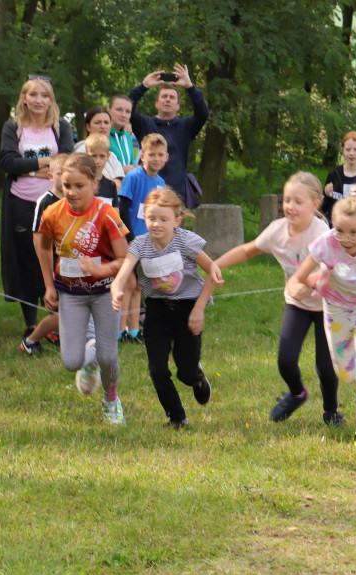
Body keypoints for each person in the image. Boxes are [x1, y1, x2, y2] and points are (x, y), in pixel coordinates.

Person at [215, 172, 343, 426]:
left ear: (315, 205)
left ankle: (331, 411)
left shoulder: (321, 233)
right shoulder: (277, 230)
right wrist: (215, 264)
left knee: (326, 367)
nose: (290, 207)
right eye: (287, 200)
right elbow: (247, 250)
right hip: (297, 304)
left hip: (327, 305)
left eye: (298, 202)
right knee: (285, 359)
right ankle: (297, 393)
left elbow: (329, 271)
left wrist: (305, 282)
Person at [109, 188, 222, 428]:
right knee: (158, 369)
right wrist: (117, 288)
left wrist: (199, 309)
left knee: (185, 372)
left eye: (163, 219)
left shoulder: (185, 241)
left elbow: (212, 272)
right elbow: (124, 272)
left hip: (188, 309)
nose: (156, 224)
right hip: (158, 310)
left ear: (176, 221)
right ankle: (177, 418)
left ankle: (197, 377)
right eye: (151, 218)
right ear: (144, 218)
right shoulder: (139, 245)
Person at [287, 195, 356, 453]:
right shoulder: (326, 244)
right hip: (335, 310)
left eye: (354, 232)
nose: (346, 238)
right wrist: (297, 287)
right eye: (340, 230)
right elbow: (297, 278)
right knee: (345, 374)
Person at [36, 153, 129, 425]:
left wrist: (100, 270)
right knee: (71, 361)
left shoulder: (106, 214)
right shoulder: (52, 213)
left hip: (104, 292)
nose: (72, 192)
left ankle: (111, 401)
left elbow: (125, 259)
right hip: (70, 294)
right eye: (67, 186)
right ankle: (90, 362)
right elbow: (42, 247)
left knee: (108, 355)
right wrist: (48, 285)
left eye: (80, 186)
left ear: (95, 183)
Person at [0, 75, 74, 342]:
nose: (38, 100)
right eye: (33, 95)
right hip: (21, 204)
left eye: (44, 95)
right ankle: (31, 323)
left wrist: (29, 168)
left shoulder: (60, 126)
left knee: (56, 258)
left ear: (51, 100)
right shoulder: (13, 127)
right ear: (24, 99)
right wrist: (45, 165)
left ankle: (52, 322)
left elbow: (66, 161)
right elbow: (8, 162)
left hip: (55, 204)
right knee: (26, 261)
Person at [128, 64, 209, 202]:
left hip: (175, 197)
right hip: (147, 194)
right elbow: (127, 107)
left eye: (172, 97)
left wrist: (190, 87)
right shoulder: (145, 124)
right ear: (156, 103)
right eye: (164, 96)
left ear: (178, 105)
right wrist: (143, 86)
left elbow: (203, 113)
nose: (167, 99)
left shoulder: (186, 126)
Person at [117, 132, 169, 343]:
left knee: (139, 285)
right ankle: (119, 331)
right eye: (151, 154)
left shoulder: (161, 182)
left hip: (149, 241)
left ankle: (134, 331)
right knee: (128, 284)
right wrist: (129, 237)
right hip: (131, 239)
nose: (156, 159)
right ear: (142, 156)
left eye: (160, 155)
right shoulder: (134, 177)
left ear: (166, 157)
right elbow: (123, 209)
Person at [20, 153, 69, 356]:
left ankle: (56, 334)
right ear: (50, 176)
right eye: (60, 173)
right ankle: (30, 340)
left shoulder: (75, 200)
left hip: (72, 264)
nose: (65, 178)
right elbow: (39, 240)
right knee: (63, 311)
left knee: (69, 310)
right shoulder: (45, 201)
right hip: (51, 264)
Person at [321, 131, 356, 223]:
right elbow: (323, 208)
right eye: (348, 149)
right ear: (342, 150)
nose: (351, 153)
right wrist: (327, 196)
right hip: (336, 225)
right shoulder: (334, 174)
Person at [72, 106, 124, 187]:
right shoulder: (82, 150)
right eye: (97, 123)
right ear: (88, 127)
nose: (103, 126)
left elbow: (120, 182)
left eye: (106, 122)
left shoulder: (112, 156)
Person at [83, 134, 120, 205]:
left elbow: (115, 213)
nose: (98, 161)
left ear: (108, 156)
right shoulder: (81, 183)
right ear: (86, 155)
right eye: (93, 156)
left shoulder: (111, 185)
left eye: (102, 156)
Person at [108, 94, 137, 171]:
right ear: (108, 110)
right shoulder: (102, 135)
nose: (123, 115)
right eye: (119, 110)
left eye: (127, 111)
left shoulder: (127, 136)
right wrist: (121, 171)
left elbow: (131, 165)